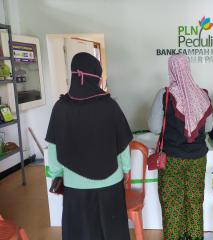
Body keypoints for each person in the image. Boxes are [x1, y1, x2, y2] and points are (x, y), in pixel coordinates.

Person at [45, 52, 133, 240]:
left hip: (74, 186)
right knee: (112, 232)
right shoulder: (110, 106)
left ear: (75, 76)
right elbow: (123, 145)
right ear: (96, 77)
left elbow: (53, 150)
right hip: (110, 182)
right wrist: (126, 170)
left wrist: (58, 176)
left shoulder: (60, 108)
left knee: (81, 233)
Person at [148, 54, 213, 240]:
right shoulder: (202, 94)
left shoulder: (165, 94)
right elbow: (208, 127)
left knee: (172, 203)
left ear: (171, 69)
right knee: (194, 201)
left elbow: (153, 127)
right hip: (198, 158)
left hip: (172, 159)